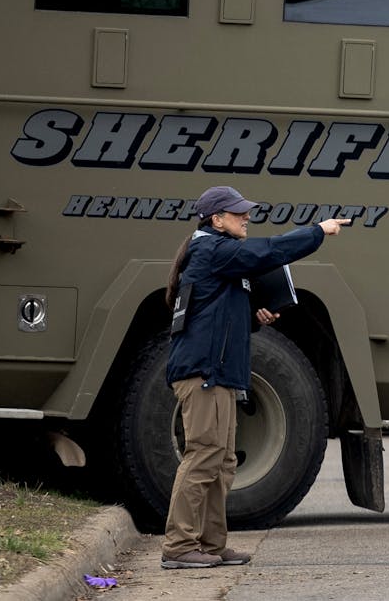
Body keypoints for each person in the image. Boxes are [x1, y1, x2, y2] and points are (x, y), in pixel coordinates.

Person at [161, 185, 351, 569]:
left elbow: (213, 317)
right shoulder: (212, 250)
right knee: (203, 457)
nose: (246, 217)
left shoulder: (217, 257)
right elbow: (269, 252)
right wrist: (318, 231)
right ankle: (179, 547)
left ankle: (211, 545)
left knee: (223, 461)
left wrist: (252, 316)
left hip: (219, 374)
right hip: (204, 375)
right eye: (238, 213)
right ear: (217, 220)